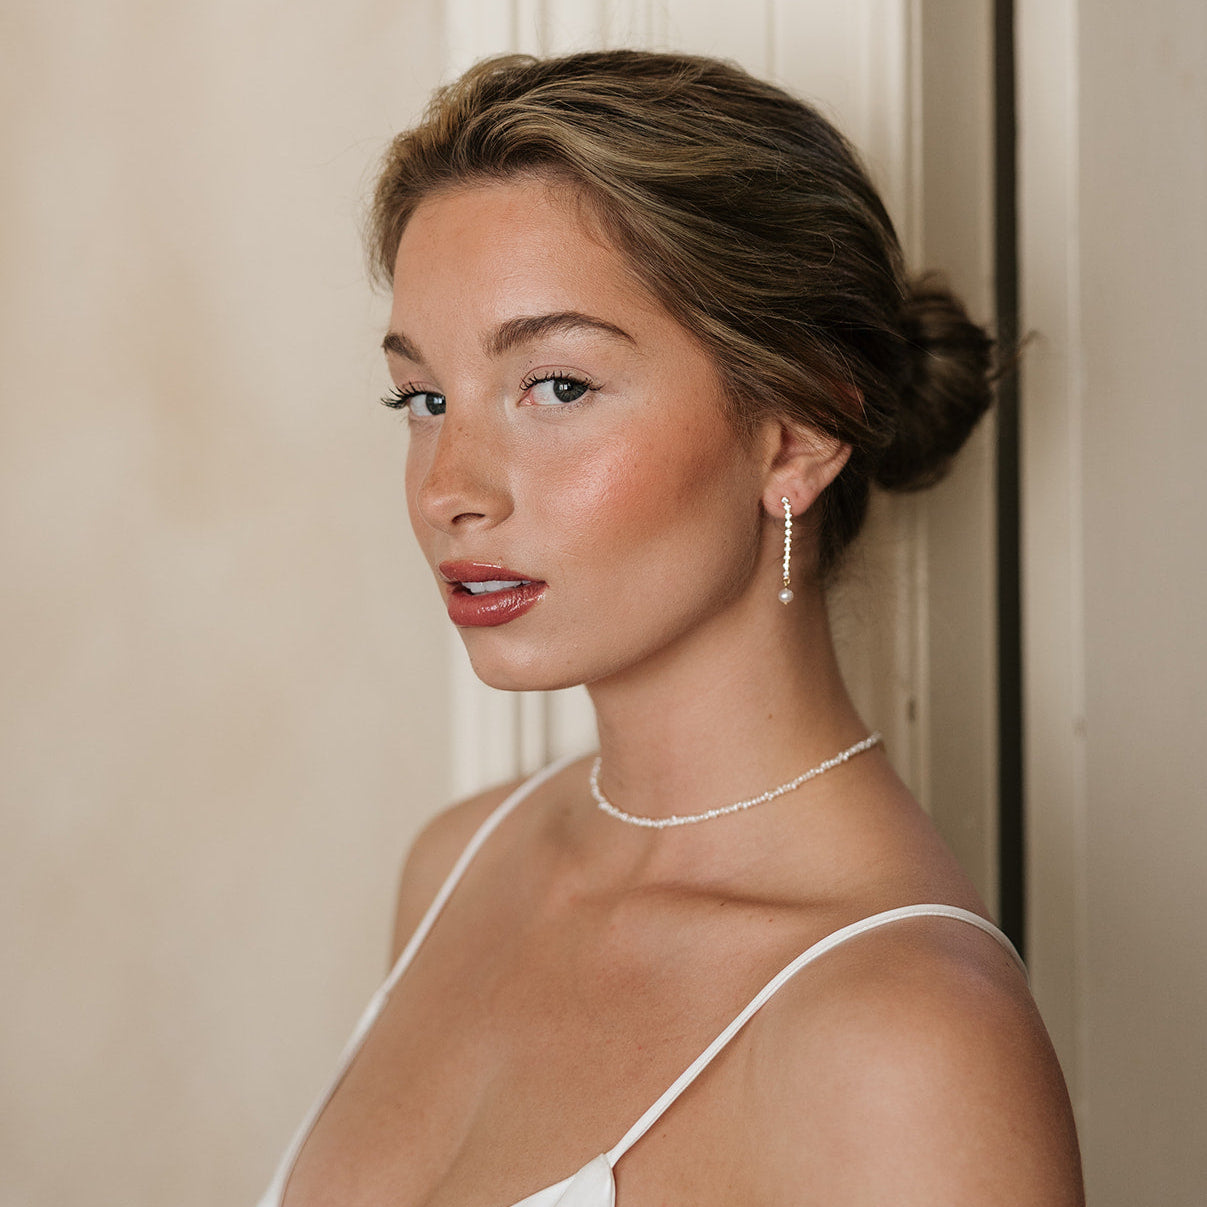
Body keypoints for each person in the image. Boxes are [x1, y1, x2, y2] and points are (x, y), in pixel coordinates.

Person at [260, 50, 1084, 1206]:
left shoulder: (907, 1043)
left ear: (794, 431)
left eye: (555, 386)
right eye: (424, 398)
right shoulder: (458, 865)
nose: (451, 485)